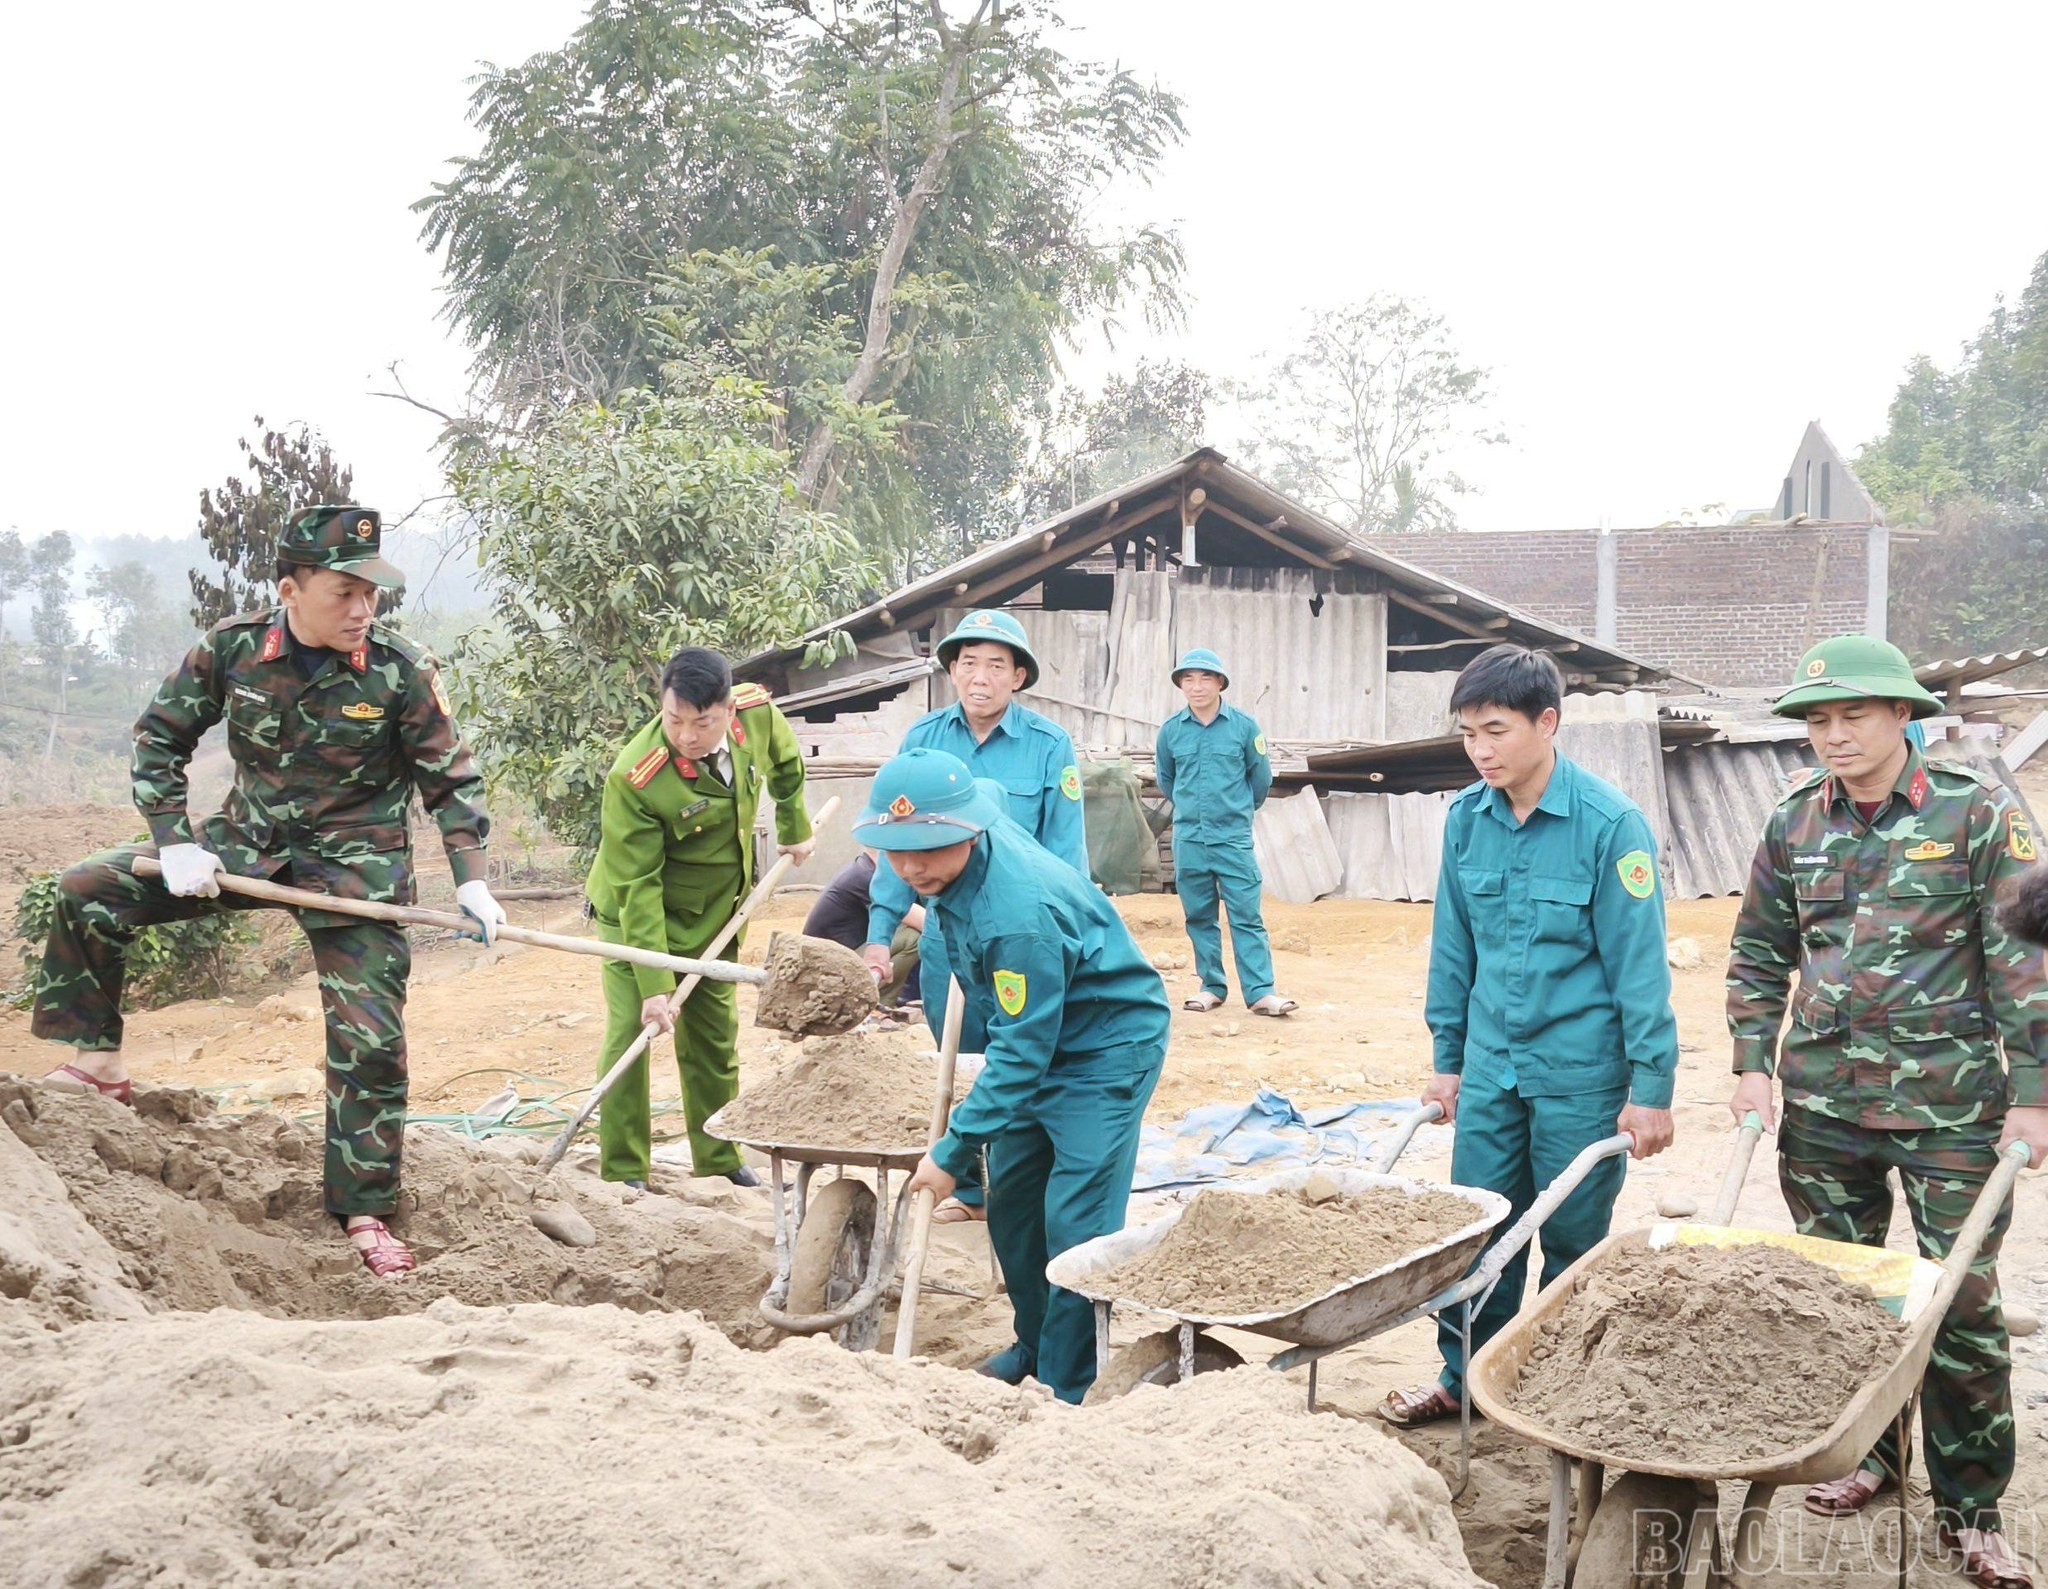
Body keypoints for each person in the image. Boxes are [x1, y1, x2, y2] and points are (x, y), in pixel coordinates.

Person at [30, 504, 505, 1278]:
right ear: (291, 588)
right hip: (245, 847)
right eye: (343, 593)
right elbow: (159, 736)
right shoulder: (234, 649)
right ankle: (101, 1066)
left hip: (356, 872)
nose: (361, 611)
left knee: (371, 1039)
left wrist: (473, 882)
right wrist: (174, 837)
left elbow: (450, 779)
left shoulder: (400, 668)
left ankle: (364, 1208)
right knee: (87, 889)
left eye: (372, 595)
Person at [1725, 633, 2047, 1587]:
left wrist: (2036, 1094)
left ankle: (1972, 1509)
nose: (1833, 735)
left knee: (1959, 1306)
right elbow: (1757, 953)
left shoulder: (1979, 812)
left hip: (1953, 1111)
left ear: (1903, 714)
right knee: (1843, 1297)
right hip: (1823, 1105)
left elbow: (2028, 962)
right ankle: (1869, 1456)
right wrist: (1752, 1067)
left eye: (1852, 715)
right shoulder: (1791, 823)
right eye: (1818, 720)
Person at [1379, 644, 1678, 1426]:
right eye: (1468, 732)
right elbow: (1453, 952)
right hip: (1489, 1072)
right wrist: (1448, 1063)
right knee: (1479, 1225)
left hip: (1578, 1074)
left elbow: (1640, 969)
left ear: (1547, 722)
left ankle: (1557, 1389)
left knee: (1573, 1236)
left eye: (1496, 730)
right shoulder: (1465, 823)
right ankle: (1462, 1378)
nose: (1480, 749)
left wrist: (1651, 1091)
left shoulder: (1611, 825)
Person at [859, 748, 1170, 1402]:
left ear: (968, 831)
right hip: (1035, 1038)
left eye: (928, 845)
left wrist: (950, 1152)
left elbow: (1022, 1053)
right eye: (896, 849)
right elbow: (993, 787)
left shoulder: (1017, 914)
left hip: (1105, 1045)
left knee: (1074, 1220)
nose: (912, 864)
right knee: (1014, 1208)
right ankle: (1034, 1345)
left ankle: (1066, 1382)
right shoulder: (957, 858)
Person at [864, 607, 1089, 1221]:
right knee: (959, 1058)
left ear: (1018, 676)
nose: (981, 678)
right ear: (952, 673)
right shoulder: (923, 742)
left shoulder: (1048, 746)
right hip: (945, 934)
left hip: (1023, 934)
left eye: (996, 665)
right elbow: (895, 851)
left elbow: (1067, 849)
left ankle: (1022, 1188)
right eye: (968, 664)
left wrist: (1064, 934)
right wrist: (880, 936)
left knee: (1026, 1052)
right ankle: (968, 1188)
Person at [586, 648, 813, 1191]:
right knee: (631, 1035)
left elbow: (784, 763)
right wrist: (653, 986)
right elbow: (638, 886)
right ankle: (623, 1171)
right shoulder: (636, 777)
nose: (686, 735)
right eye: (674, 720)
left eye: (702, 722)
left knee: (714, 1036)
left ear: (731, 710)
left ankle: (718, 1155)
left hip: (717, 912)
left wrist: (793, 823)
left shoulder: (757, 715)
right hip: (635, 918)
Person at [1154, 646, 1293, 1017]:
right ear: (1181, 685)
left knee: (1246, 915)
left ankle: (1261, 991)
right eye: (1188, 678)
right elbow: (1167, 782)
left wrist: (1236, 812)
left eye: (1204, 678)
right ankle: (1211, 986)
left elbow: (1260, 780)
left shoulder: (1244, 727)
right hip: (1190, 840)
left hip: (1232, 839)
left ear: (1220, 683)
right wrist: (1193, 813)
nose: (1196, 686)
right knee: (1199, 915)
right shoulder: (1170, 732)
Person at [804, 851, 922, 1007]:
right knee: (913, 937)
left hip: (837, 956)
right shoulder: (866, 878)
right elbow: (925, 922)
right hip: (828, 969)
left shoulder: (860, 868)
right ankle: (879, 1002)